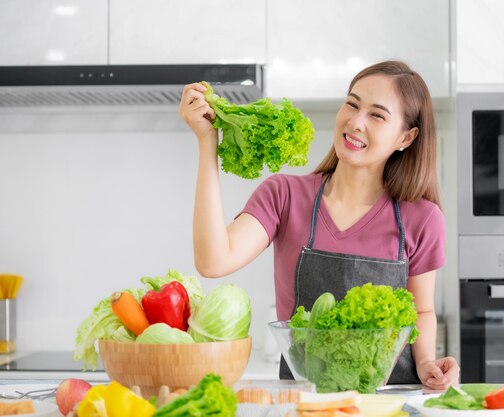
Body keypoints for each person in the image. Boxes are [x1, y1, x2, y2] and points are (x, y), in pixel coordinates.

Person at [179, 60, 460, 390]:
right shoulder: (284, 195)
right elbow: (213, 261)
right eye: (352, 104)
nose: (355, 122)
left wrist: (426, 361)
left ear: (406, 137)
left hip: (389, 399)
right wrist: (206, 143)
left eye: (377, 115)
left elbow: (422, 310)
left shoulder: (422, 218)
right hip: (305, 398)